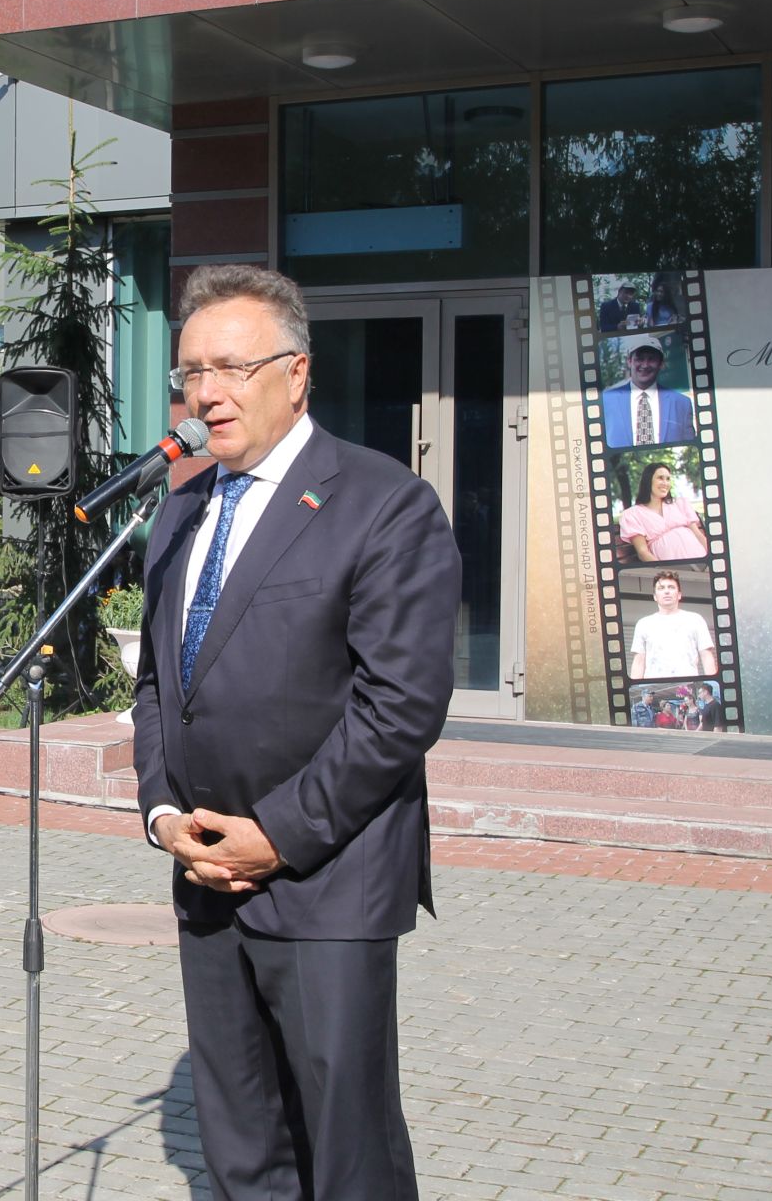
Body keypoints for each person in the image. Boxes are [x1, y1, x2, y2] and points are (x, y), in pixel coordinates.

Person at [132, 264, 460, 1200]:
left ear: (297, 373)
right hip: (204, 876)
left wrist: (275, 835)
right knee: (240, 1150)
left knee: (346, 1151)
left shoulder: (383, 502)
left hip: (326, 881)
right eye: (191, 372)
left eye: (232, 367)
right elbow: (160, 684)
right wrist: (162, 813)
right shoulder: (182, 506)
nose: (207, 394)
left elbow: (400, 705)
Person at [600, 337, 696, 448]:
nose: (645, 365)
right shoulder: (606, 400)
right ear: (629, 361)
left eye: (651, 359)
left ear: (661, 364)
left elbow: (690, 445)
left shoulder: (682, 403)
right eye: (639, 359)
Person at [629, 570, 719, 680]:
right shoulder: (643, 624)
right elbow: (639, 661)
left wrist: (714, 686)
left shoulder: (695, 620)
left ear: (679, 595)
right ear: (655, 597)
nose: (666, 591)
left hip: (689, 687)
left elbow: (706, 656)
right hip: (654, 688)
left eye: (671, 587)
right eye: (661, 588)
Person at [618, 461, 707, 562]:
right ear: (648, 480)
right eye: (660, 478)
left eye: (668, 479)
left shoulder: (679, 503)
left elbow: (698, 535)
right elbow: (643, 553)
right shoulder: (632, 514)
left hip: (700, 558)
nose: (665, 483)